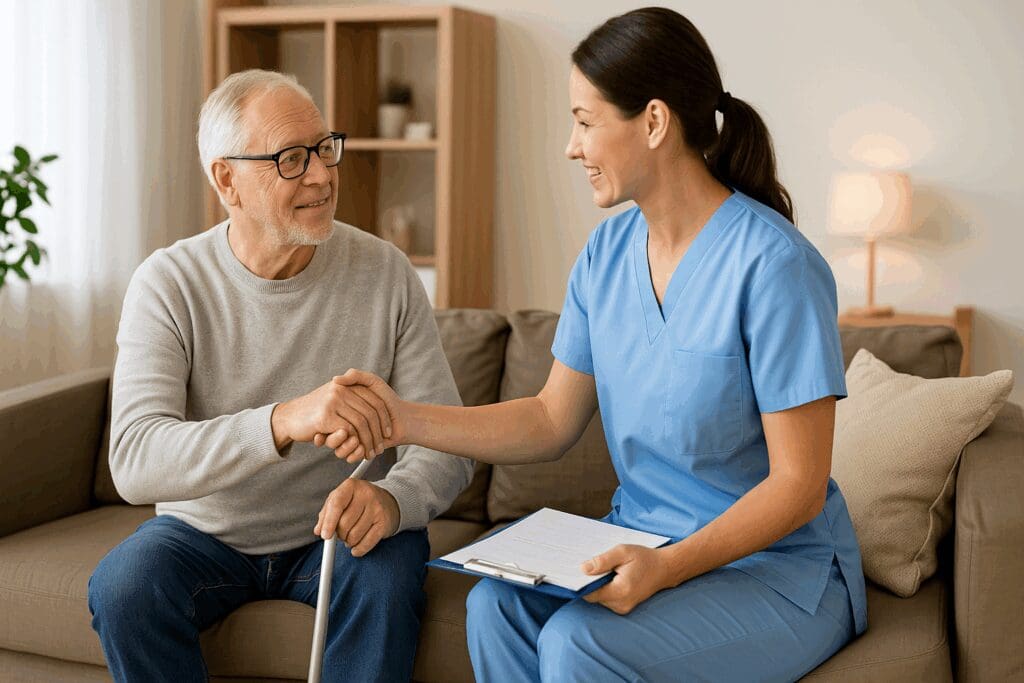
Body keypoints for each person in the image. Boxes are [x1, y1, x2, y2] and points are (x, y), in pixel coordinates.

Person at [315, 7, 868, 682]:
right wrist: (403, 417)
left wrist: (666, 567)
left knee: (582, 642)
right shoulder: (606, 254)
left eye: (584, 120)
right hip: (644, 542)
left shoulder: (775, 265)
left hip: (777, 572)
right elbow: (550, 418)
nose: (571, 146)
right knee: (493, 606)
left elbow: (799, 485)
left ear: (655, 122)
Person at [87, 69, 472, 683]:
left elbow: (447, 443)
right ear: (227, 179)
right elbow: (135, 458)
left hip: (337, 532)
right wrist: (283, 420)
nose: (321, 175)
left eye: (324, 148)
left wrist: (393, 500)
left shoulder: (386, 273)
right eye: (291, 159)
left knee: (389, 572)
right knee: (123, 587)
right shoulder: (168, 283)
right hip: (202, 535)